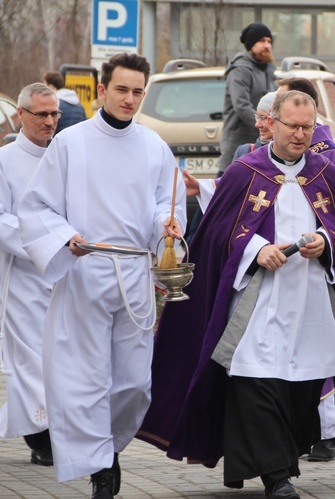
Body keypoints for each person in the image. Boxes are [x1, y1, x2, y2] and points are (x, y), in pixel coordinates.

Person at [137, 91, 335, 499]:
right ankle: (276, 476)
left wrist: (326, 242)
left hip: (311, 302)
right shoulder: (246, 171)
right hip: (257, 303)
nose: (299, 135)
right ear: (271, 125)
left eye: (307, 127)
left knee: (302, 386)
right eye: (292, 126)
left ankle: (281, 461)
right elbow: (217, 234)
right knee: (255, 379)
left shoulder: (327, 172)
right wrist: (255, 249)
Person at [17, 53, 186, 499]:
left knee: (134, 383)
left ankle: (107, 448)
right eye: (122, 90)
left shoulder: (154, 146)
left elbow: (162, 207)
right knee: (87, 378)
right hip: (85, 272)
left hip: (133, 273)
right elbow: (38, 207)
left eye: (138, 92)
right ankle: (102, 469)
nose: (130, 99)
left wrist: (166, 226)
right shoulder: (71, 143)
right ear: (104, 90)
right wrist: (67, 236)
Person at [0, 82, 59, 467]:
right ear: (21, 115)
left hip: (66, 271)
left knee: (59, 357)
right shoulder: (4, 160)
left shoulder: (65, 156)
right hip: (22, 275)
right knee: (31, 360)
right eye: (41, 114)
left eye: (55, 114)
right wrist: (43, 243)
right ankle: (41, 436)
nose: (50, 121)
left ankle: (60, 426)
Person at [218, 22, 277, 175]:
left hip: (263, 143)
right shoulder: (240, 70)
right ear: (251, 44)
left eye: (269, 41)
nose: (267, 45)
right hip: (239, 143)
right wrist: (266, 124)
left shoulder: (268, 70)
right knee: (228, 191)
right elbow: (241, 106)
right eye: (262, 41)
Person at [231, 90, 277, 159]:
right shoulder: (244, 152)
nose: (257, 124)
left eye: (264, 118)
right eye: (257, 117)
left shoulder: (293, 156)